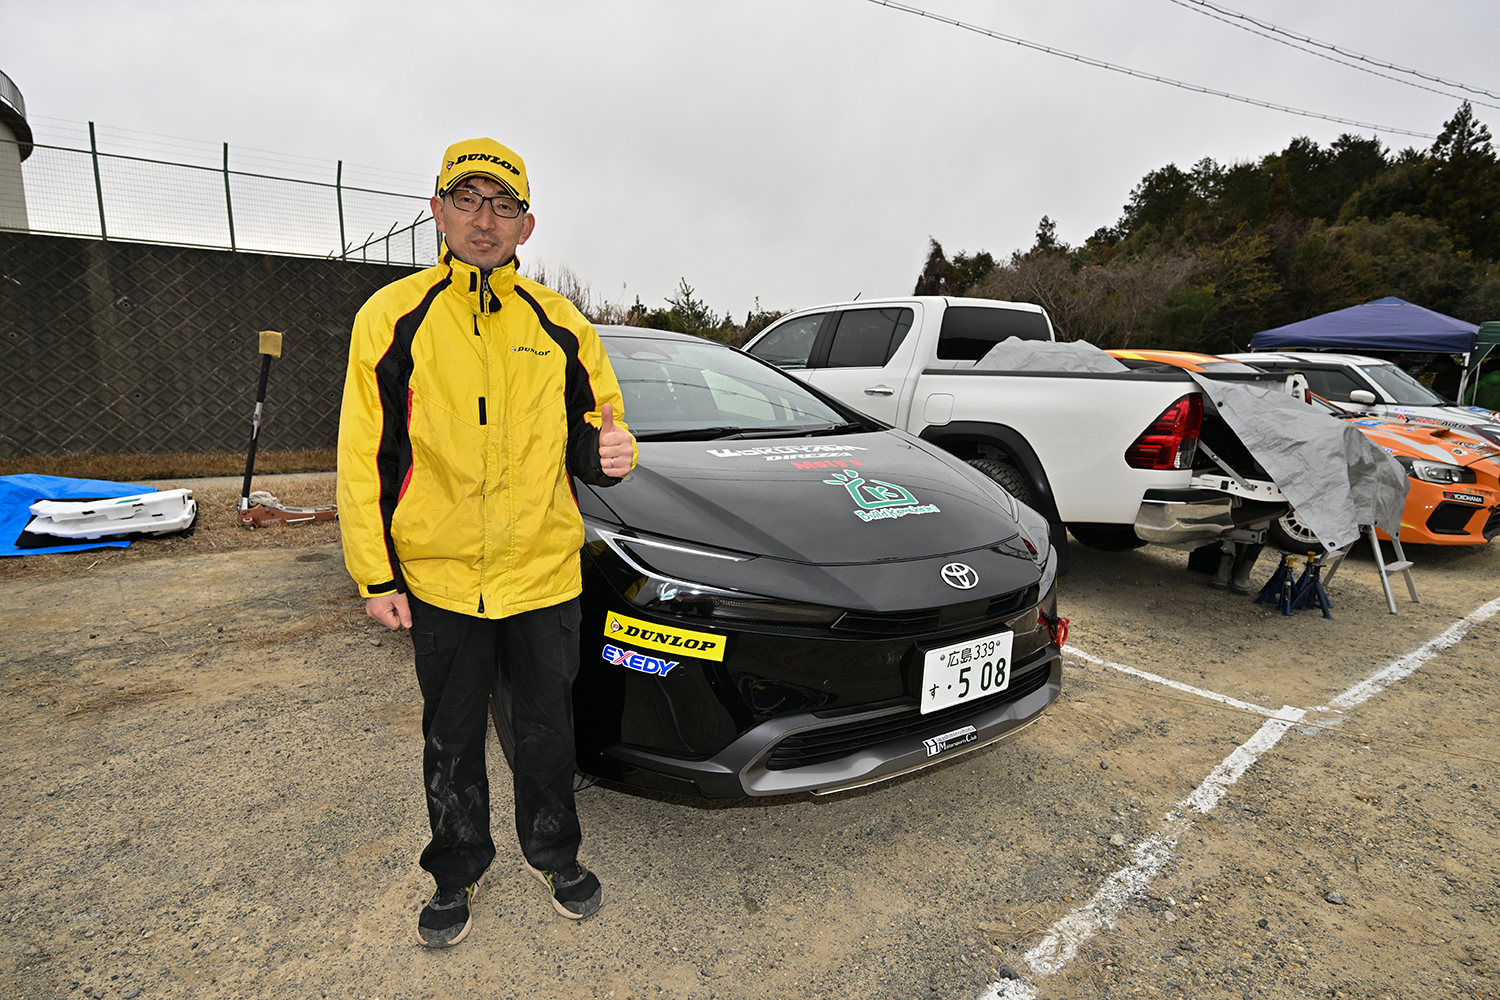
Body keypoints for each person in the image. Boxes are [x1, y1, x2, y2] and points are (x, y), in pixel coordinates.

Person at [336, 137, 637, 948]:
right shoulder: (392, 318)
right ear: (436, 211)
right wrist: (375, 573)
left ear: (526, 225)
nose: (484, 219)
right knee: (452, 736)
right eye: (467, 200)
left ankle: (556, 854)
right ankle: (456, 871)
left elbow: (596, 433)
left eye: (502, 205)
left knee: (547, 733)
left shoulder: (562, 325)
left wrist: (608, 455)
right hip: (439, 579)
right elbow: (367, 455)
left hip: (543, 575)